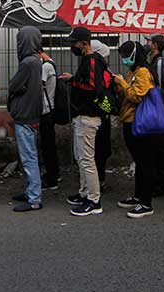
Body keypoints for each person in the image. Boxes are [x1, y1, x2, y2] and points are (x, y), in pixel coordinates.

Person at [114, 41, 164, 219]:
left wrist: (121, 83)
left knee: (146, 163)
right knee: (140, 162)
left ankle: (146, 202)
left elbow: (137, 96)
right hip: (130, 121)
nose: (124, 59)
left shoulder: (143, 72)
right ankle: (138, 196)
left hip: (141, 124)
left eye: (125, 55)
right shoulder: (134, 71)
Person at [60, 26, 109, 217]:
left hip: (88, 116)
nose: (73, 46)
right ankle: (84, 193)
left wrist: (73, 82)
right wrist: (73, 79)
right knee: (81, 158)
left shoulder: (92, 62)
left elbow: (92, 88)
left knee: (87, 160)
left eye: (75, 43)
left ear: (84, 44)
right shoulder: (90, 61)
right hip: (84, 116)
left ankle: (94, 200)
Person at [8, 27, 44, 212]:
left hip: (25, 115)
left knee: (28, 157)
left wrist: (15, 89)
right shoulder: (36, 61)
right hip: (32, 114)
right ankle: (31, 191)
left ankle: (34, 198)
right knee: (30, 155)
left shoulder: (28, 63)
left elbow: (14, 85)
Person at [145, 34, 164, 197]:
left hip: (160, 111)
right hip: (158, 111)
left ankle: (163, 185)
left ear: (155, 45)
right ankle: (158, 182)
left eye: (149, 42)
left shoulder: (160, 63)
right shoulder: (154, 62)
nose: (147, 44)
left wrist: (157, 110)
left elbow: (159, 90)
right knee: (156, 149)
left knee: (161, 149)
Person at [91, 39, 114, 189]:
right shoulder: (103, 73)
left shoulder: (101, 72)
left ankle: (97, 180)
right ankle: (98, 180)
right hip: (101, 116)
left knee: (98, 150)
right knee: (99, 149)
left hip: (98, 115)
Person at [39, 48, 60, 191]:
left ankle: (51, 178)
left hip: (45, 110)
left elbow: (37, 86)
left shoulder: (45, 67)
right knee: (50, 144)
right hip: (50, 109)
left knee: (47, 146)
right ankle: (54, 174)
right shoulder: (52, 63)